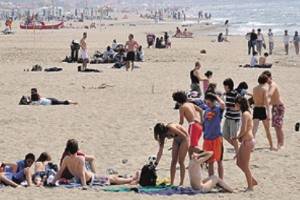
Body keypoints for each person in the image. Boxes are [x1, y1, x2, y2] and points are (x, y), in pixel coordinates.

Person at [52, 139, 139, 188]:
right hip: (91, 179)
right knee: (112, 179)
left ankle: (131, 179)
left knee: (112, 179)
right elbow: (82, 173)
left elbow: (60, 172)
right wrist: (84, 185)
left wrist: (53, 182)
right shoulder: (80, 158)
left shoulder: (66, 159)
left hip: (78, 179)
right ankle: (131, 180)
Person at [235, 97, 258, 191]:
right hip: (247, 141)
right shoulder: (246, 113)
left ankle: (250, 186)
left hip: (247, 141)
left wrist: (237, 137)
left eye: (236, 104)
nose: (234, 106)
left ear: (239, 104)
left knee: (245, 165)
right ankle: (252, 180)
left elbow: (243, 129)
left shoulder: (245, 114)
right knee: (239, 162)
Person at [172, 91, 203, 157]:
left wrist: (176, 129)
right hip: (199, 125)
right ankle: (192, 162)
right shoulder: (190, 104)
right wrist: (202, 121)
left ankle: (205, 154)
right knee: (192, 145)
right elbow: (200, 110)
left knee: (190, 146)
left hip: (193, 126)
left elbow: (181, 122)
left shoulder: (182, 107)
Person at [203, 93, 225, 179]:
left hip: (217, 139)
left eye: (209, 103)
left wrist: (216, 97)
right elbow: (204, 123)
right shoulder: (206, 111)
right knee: (210, 162)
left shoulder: (218, 110)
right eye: (206, 103)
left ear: (213, 102)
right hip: (207, 139)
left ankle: (221, 180)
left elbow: (223, 104)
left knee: (219, 161)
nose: (207, 104)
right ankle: (211, 180)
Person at [262, 71, 285, 150]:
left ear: (270, 77)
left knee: (279, 126)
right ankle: (279, 143)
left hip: (279, 107)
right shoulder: (268, 85)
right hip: (274, 107)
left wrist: (264, 98)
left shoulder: (272, 85)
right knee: (276, 126)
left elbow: (270, 94)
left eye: (266, 78)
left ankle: (281, 144)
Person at [252, 74, 275, 150]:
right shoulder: (264, 89)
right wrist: (269, 114)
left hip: (256, 109)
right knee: (267, 129)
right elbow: (266, 103)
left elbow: (254, 100)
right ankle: (271, 145)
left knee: (254, 130)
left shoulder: (254, 89)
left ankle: (251, 147)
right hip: (262, 110)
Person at [223, 78, 240, 155]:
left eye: (225, 86)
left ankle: (238, 152)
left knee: (234, 137)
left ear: (228, 86)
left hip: (234, 118)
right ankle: (239, 149)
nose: (224, 88)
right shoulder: (226, 94)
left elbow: (239, 107)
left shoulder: (236, 94)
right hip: (228, 117)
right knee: (225, 135)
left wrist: (230, 107)